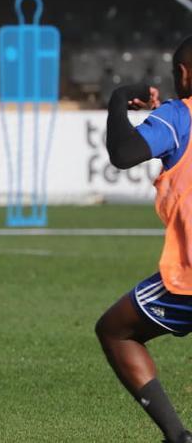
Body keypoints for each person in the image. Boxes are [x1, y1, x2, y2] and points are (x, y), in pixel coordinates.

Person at [95, 36, 192, 443]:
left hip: (189, 276)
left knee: (116, 331)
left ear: (184, 74)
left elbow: (123, 152)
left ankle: (176, 436)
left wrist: (118, 100)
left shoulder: (179, 115)